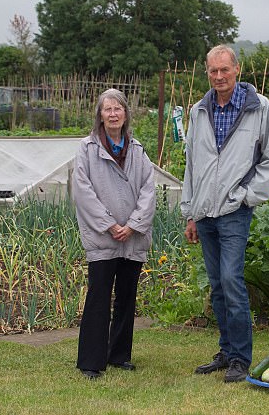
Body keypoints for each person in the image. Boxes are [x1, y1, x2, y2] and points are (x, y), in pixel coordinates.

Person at [180, 44, 269, 383]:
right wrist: (190, 212)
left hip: (235, 211)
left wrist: (245, 196)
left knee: (231, 281)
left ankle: (241, 357)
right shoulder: (199, 111)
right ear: (207, 72)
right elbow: (192, 165)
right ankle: (226, 352)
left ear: (237, 69)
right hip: (205, 212)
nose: (219, 76)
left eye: (225, 70)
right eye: (213, 71)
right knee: (217, 286)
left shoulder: (259, 107)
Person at [72, 88, 156, 380]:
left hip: (132, 237)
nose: (113, 114)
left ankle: (119, 355)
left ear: (125, 114)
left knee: (126, 296)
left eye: (117, 109)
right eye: (107, 109)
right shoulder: (86, 149)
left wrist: (133, 224)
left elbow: (148, 189)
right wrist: (109, 224)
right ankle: (91, 361)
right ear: (100, 115)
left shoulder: (138, 149)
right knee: (98, 296)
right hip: (103, 236)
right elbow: (83, 191)